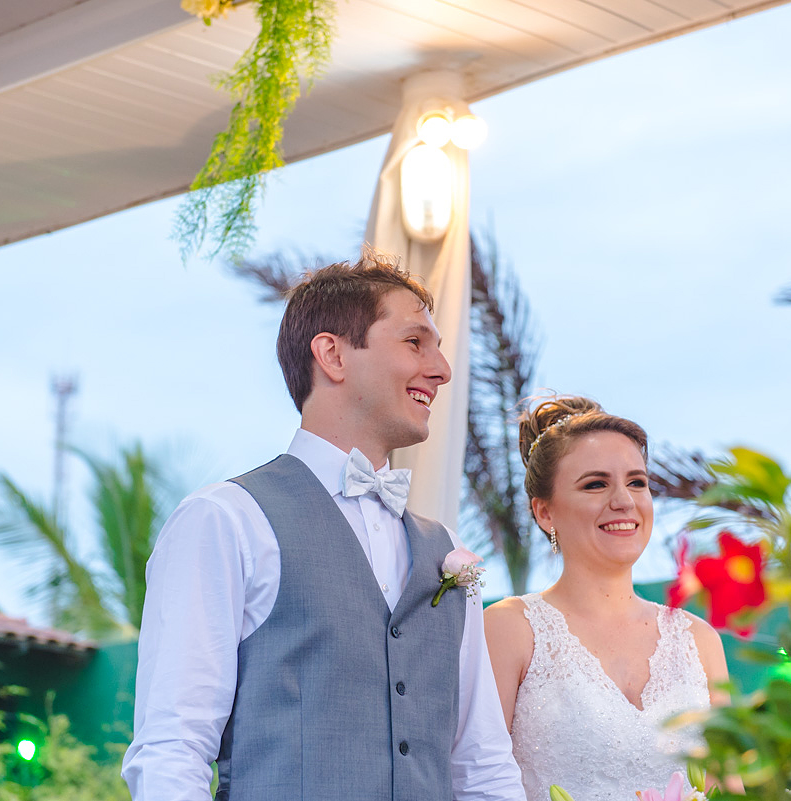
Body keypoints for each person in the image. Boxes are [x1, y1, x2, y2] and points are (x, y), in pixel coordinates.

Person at [122, 251, 526, 801]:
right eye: (415, 342)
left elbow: (480, 763)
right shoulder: (226, 520)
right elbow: (173, 747)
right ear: (332, 354)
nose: (442, 369)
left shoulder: (446, 549)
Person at [484, 396, 731, 801]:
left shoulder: (699, 640)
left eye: (637, 482)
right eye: (596, 484)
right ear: (545, 512)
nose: (624, 501)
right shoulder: (508, 629)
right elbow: (476, 778)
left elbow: (729, 786)